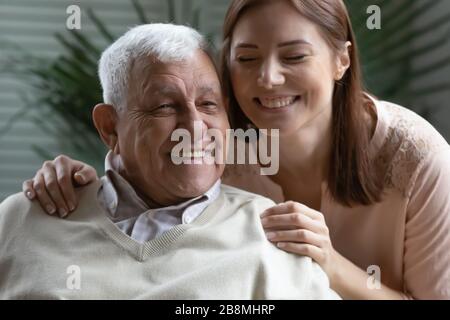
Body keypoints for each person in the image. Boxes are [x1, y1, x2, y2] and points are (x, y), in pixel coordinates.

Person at [22, 0, 450, 299]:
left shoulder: (416, 157)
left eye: (294, 56)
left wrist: (331, 264)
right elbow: (142, 164)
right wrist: (77, 181)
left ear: (342, 61)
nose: (268, 79)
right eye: (247, 59)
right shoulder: (214, 147)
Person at [0, 23, 340, 300]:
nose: (194, 127)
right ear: (109, 126)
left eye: (208, 105)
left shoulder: (271, 234)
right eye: (164, 107)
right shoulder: (21, 219)